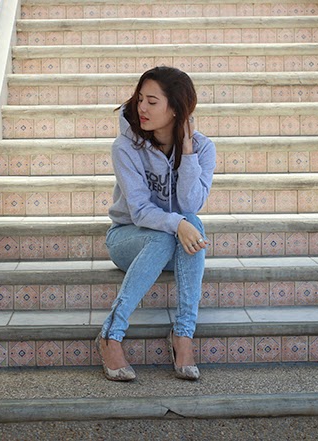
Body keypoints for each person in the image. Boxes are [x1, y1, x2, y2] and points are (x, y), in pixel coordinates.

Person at [96, 66, 216, 381]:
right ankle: (110, 333)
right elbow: (139, 212)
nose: (142, 108)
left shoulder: (203, 148)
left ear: (175, 109)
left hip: (175, 246)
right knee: (170, 233)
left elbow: (190, 205)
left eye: (152, 102)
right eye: (140, 100)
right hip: (127, 239)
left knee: (191, 221)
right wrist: (178, 225)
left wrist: (187, 152)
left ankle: (183, 335)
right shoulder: (126, 147)